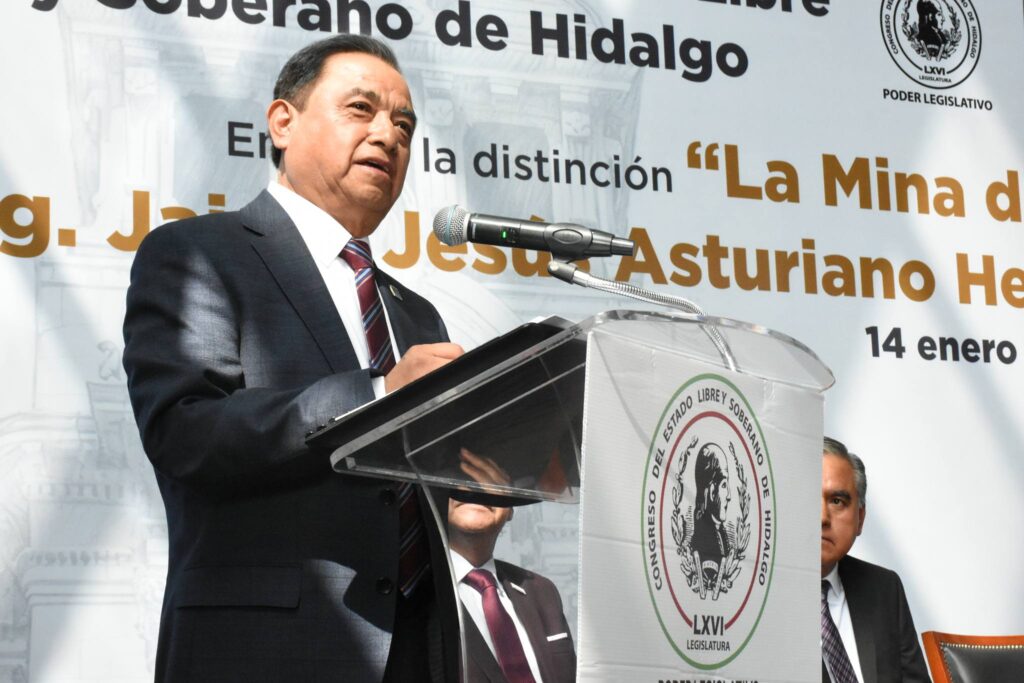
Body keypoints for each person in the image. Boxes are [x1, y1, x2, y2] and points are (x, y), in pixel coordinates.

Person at [122, 35, 463, 682]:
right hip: (265, 649)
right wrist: (378, 396)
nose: (388, 135)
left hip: (419, 654)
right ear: (283, 122)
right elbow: (186, 430)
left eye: (404, 125)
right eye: (361, 109)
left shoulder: (416, 316)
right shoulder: (198, 253)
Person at [448, 449, 576, 683]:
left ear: (511, 509)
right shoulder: (417, 595)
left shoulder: (541, 590)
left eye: (492, 479)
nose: (476, 488)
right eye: (461, 478)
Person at [820, 437, 929, 683]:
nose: (822, 517)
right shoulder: (758, 599)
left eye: (836, 501)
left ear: (860, 518)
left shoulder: (884, 589)